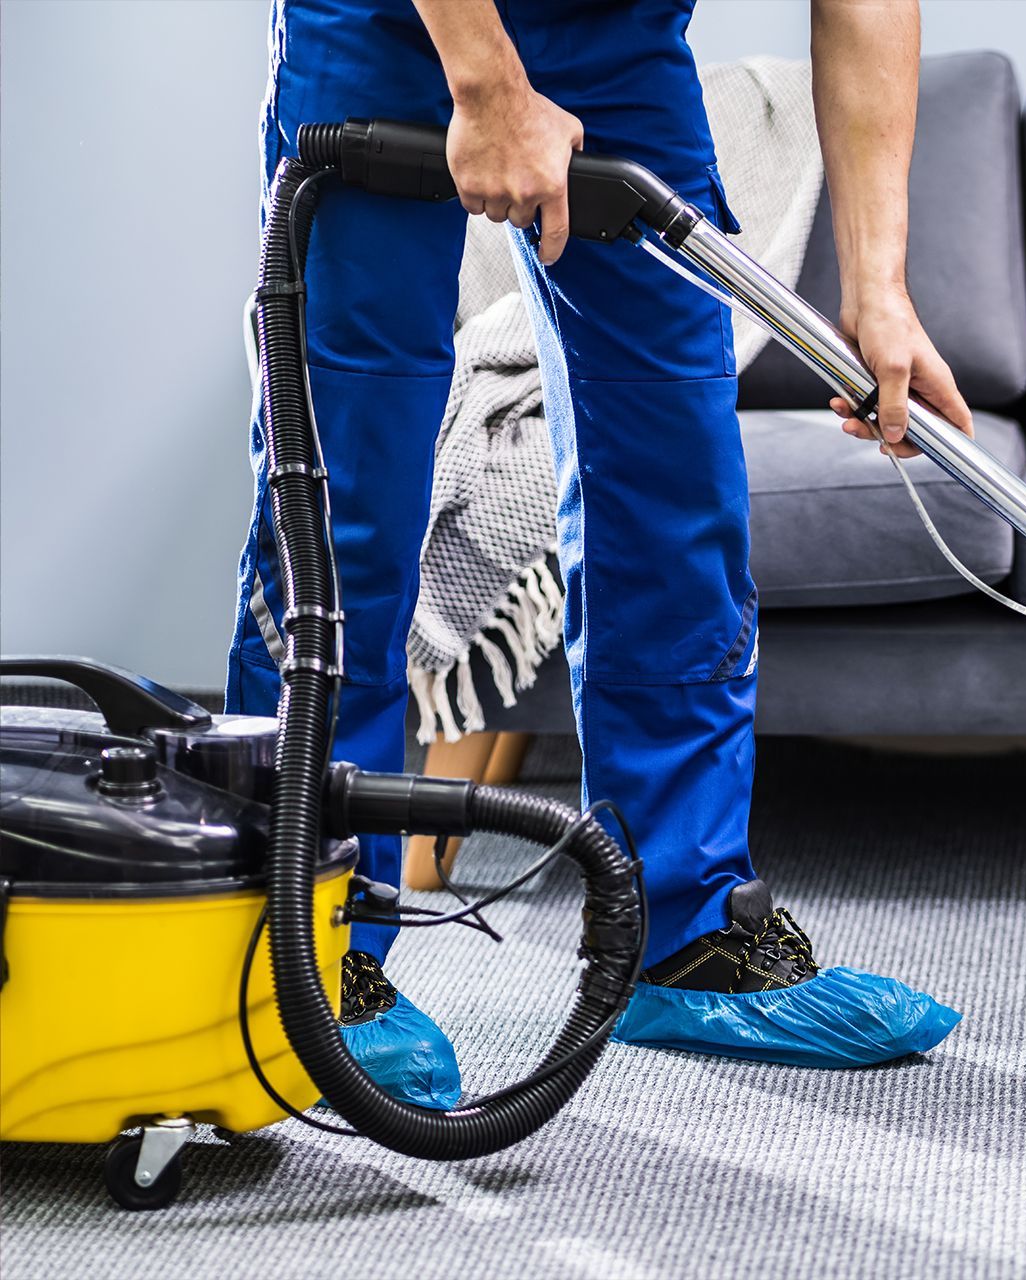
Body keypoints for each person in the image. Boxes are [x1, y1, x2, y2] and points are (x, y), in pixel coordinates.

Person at [228, 0, 966, 1105]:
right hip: (390, 23)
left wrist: (878, 288)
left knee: (672, 469)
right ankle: (303, 943)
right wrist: (484, 86)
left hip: (613, 34)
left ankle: (686, 933)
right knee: (351, 483)